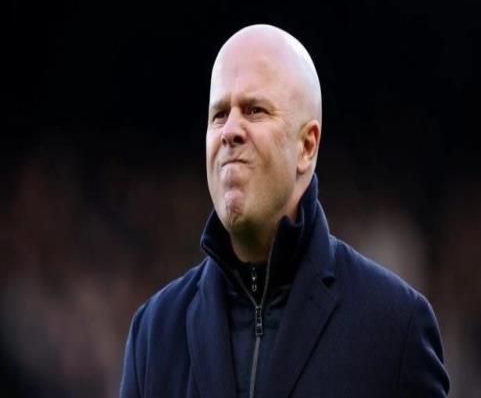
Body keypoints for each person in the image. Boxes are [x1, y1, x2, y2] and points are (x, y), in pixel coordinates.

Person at [119, 24, 450, 397]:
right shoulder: (155, 333)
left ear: (307, 147)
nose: (230, 131)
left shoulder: (395, 327)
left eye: (254, 110)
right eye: (219, 114)